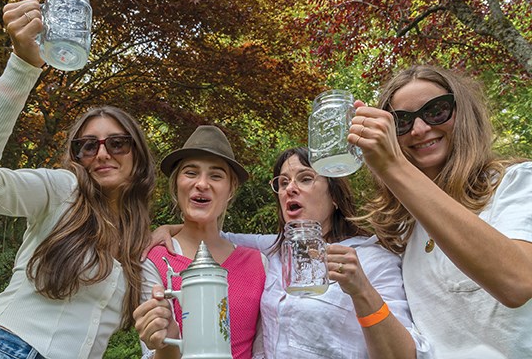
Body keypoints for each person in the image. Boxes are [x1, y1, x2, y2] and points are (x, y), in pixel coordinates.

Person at [0, 0, 156, 359]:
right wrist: (22, 66)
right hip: (1, 348)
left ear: (138, 156)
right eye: (87, 146)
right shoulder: (63, 189)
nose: (102, 153)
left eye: (117, 143)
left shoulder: (138, 243)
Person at [150, 146, 432, 358]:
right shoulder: (271, 251)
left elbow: (404, 354)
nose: (290, 189)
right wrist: (168, 228)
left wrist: (362, 291)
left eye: (305, 179)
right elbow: (210, 233)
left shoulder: (372, 259)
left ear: (334, 196)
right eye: (283, 183)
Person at [350, 64, 532, 358]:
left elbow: (517, 283)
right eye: (402, 122)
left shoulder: (516, 183)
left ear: (464, 114)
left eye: (437, 111)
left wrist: (393, 166)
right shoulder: (402, 230)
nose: (420, 129)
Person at [134, 125, 266, 359]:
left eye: (216, 175)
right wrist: (167, 341)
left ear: (231, 190)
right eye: (191, 172)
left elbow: (262, 351)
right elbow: (152, 353)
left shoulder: (258, 263)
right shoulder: (154, 260)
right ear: (176, 184)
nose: (202, 184)